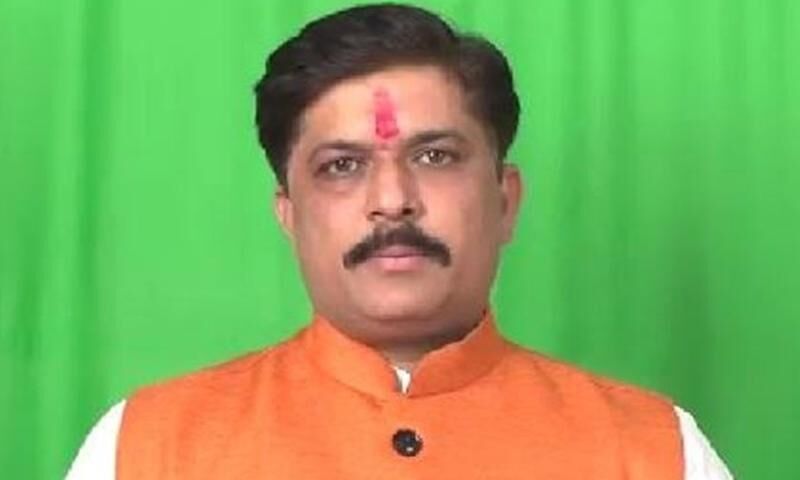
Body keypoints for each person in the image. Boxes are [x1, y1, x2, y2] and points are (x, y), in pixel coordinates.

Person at [67, 3, 733, 479]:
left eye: (435, 156)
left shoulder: (655, 451)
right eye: (341, 166)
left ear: (505, 201)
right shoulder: (146, 450)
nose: (392, 199)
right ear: (289, 214)